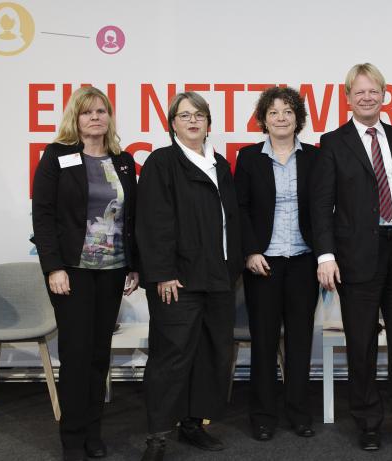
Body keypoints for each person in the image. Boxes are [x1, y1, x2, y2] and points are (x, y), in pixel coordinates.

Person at [310, 63, 392, 452]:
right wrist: (325, 255)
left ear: (384, 95)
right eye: (358, 92)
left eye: (373, 91)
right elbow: (321, 205)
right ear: (347, 98)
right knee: (361, 345)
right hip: (355, 255)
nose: (366, 97)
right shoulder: (333, 142)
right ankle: (368, 423)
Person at [31, 86, 140, 461]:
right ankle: (72, 438)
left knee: (98, 357)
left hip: (112, 271)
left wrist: (134, 265)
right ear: (75, 118)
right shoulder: (57, 156)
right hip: (72, 273)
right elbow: (43, 215)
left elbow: (131, 217)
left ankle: (93, 432)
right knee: (76, 357)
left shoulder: (123, 161)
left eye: (101, 111)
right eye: (87, 112)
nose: (95, 117)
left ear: (109, 117)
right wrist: (54, 267)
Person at [136, 91, 243, 461]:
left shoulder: (220, 165)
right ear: (173, 124)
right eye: (184, 115)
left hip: (219, 278)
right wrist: (162, 273)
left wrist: (233, 266)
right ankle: (157, 437)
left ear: (208, 122)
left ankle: (193, 424)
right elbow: (153, 222)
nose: (193, 121)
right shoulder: (162, 163)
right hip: (178, 280)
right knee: (171, 358)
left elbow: (231, 220)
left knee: (212, 355)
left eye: (199, 115)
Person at [235, 86, 319, 441]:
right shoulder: (249, 158)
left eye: (288, 111)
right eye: (273, 112)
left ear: (298, 118)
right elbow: (239, 209)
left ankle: (299, 413)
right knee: (264, 342)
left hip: (303, 260)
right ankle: (263, 416)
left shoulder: (315, 157)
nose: (281, 118)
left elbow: (324, 209)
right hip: (263, 263)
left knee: (299, 342)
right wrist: (251, 251)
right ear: (263, 120)